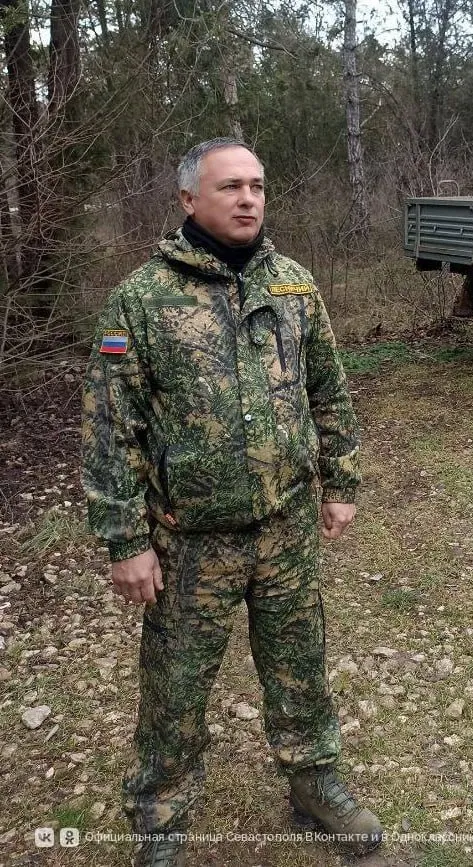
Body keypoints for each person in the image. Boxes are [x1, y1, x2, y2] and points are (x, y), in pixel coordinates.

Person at [81, 138, 382, 867]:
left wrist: (341, 483)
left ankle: (313, 784)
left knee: (299, 667)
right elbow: (111, 425)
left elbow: (328, 392)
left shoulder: (293, 286)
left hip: (285, 532)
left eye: (257, 185)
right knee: (175, 689)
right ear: (189, 200)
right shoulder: (140, 300)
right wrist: (126, 539)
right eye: (230, 187)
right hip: (191, 544)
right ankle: (159, 818)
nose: (248, 198)